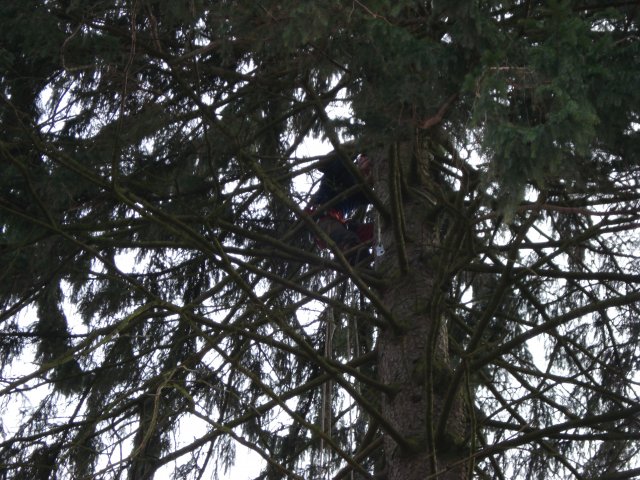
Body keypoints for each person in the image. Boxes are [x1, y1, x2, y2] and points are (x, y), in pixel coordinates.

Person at [305, 152, 374, 265]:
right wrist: (357, 149)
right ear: (359, 162)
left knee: (376, 231)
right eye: (366, 162)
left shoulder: (361, 193)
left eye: (371, 169)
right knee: (351, 243)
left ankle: (383, 254)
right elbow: (328, 164)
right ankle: (363, 269)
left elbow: (376, 197)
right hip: (321, 219)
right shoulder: (340, 171)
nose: (368, 170)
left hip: (339, 223)